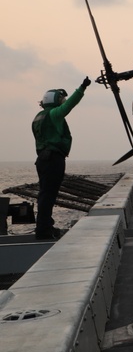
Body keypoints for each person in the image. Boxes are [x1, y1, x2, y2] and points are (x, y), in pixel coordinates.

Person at [31, 78, 90, 240]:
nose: (63, 101)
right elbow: (69, 105)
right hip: (53, 159)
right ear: (54, 100)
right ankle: (43, 230)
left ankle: (45, 225)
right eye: (60, 99)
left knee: (45, 194)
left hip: (42, 159)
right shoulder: (54, 115)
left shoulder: (38, 116)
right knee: (49, 195)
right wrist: (82, 88)